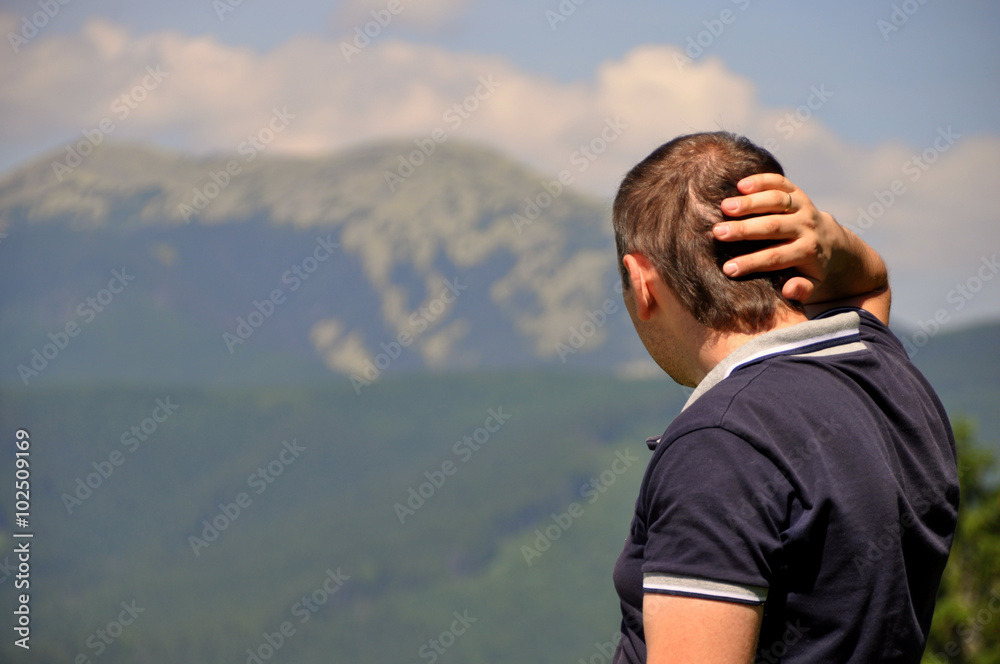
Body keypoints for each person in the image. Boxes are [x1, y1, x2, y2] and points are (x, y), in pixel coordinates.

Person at [609, 132, 959, 663]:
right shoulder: (890, 378)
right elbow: (870, 291)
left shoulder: (720, 445)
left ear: (641, 281)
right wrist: (841, 247)